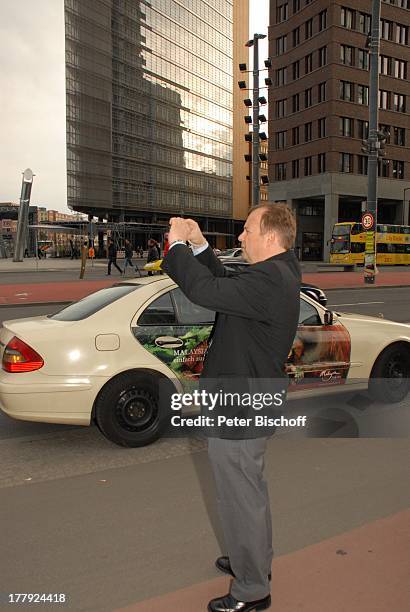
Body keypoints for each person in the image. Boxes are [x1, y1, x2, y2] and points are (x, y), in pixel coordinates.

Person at [162, 203, 301, 612]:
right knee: (248, 490)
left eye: (246, 230)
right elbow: (223, 282)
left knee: (239, 495)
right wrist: (200, 244)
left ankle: (252, 589)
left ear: (270, 238)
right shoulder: (278, 272)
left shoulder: (269, 281)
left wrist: (175, 248)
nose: (240, 237)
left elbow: (205, 291)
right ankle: (252, 560)